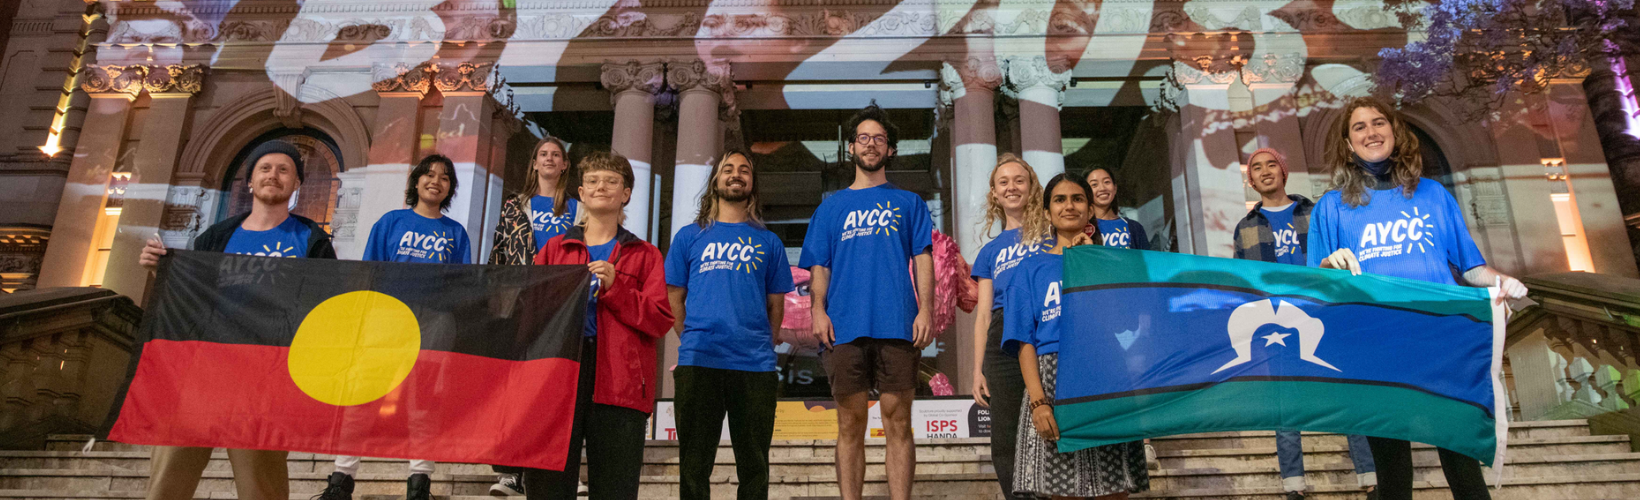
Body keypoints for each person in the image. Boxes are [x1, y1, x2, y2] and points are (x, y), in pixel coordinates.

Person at [1308, 97, 1528, 500]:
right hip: (1377, 349)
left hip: (1440, 344)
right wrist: (1327, 264)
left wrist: (1503, 282)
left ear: (1394, 132)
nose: (1371, 132)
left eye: (1379, 123)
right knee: (1394, 476)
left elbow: (1470, 266)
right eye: (1359, 127)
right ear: (1347, 142)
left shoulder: (1433, 196)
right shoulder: (1330, 208)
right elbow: (1314, 287)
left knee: (1463, 467)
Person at [136, 141, 335, 500]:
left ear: (296, 184)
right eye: (265, 168)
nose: (273, 175)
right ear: (250, 181)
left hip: (268, 377)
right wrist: (160, 272)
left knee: (262, 488)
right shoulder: (216, 237)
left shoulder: (313, 241)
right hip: (202, 372)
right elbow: (188, 296)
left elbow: (326, 308)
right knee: (167, 482)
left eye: (284, 169)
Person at [799, 103, 935, 500]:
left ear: (890, 149)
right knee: (849, 424)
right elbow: (819, 267)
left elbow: (923, 259)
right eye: (863, 138)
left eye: (879, 139)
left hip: (898, 322)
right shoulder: (830, 207)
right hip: (844, 324)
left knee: (898, 422)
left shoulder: (910, 203)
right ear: (850, 148)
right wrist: (817, 310)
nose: (871, 144)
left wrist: (925, 308)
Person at [319, 154, 472, 500]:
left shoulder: (455, 232)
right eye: (429, 174)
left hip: (435, 322)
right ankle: (341, 478)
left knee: (424, 402)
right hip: (387, 318)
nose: (436, 181)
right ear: (416, 182)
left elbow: (463, 283)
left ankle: (420, 481)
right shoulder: (390, 222)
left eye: (445, 177)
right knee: (363, 396)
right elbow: (371, 271)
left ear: (450, 188)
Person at [527, 150, 674, 500]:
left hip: (620, 380)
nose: (601, 187)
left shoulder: (644, 254)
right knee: (547, 483)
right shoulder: (553, 250)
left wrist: (617, 289)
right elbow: (531, 312)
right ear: (580, 192)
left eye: (611, 181)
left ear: (625, 193)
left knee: (616, 486)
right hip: (559, 374)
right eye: (592, 181)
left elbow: (658, 320)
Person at [1232, 148, 1377, 500]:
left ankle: (1371, 478)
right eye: (1256, 168)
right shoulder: (1245, 228)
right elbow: (1244, 282)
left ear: (1284, 172)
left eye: (1271, 165)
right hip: (1275, 322)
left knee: (1347, 392)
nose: (1265, 171)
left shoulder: (1316, 213)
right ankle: (1293, 484)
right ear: (1250, 180)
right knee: (1286, 402)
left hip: (1324, 314)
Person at [1004, 173, 1149, 499]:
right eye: (1059, 199)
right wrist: (1039, 402)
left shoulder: (1111, 264)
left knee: (1112, 487)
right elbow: (1024, 340)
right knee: (1060, 489)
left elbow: (1124, 325)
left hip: (1106, 376)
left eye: (1077, 199)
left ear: (1089, 211)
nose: (1069, 205)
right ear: (1046, 212)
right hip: (1051, 379)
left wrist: (1092, 263)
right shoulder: (1029, 269)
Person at [665, 149, 795, 500]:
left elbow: (776, 304)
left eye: (744, 170)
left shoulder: (769, 242)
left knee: (754, 467)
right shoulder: (689, 236)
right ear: (716, 181)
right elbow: (674, 297)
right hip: (699, 361)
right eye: (728, 169)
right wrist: (690, 337)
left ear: (752, 183)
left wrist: (761, 345)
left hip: (754, 365)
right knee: (694, 466)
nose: (736, 175)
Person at [484, 136, 578, 496]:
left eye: (557, 154)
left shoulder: (578, 208)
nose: (550, 159)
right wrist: (496, 302)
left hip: (561, 306)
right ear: (534, 163)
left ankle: (560, 465)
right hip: (519, 305)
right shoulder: (514, 206)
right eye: (544, 154)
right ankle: (510, 470)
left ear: (565, 164)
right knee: (516, 387)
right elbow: (498, 254)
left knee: (557, 387)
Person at [969, 153, 1050, 499]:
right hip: (1001, 339)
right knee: (1004, 434)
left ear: (1032, 187)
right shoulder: (990, 252)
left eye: (1019, 180)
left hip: (1045, 325)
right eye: (1004, 182)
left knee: (1048, 419)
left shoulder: (1052, 234)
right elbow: (983, 314)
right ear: (994, 194)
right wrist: (977, 369)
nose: (1012, 187)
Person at [1083, 168, 1149, 250]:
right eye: (1094, 185)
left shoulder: (1134, 228)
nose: (1102, 188)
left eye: (1107, 182)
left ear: (1115, 188)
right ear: (1086, 193)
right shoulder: (1082, 229)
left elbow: (1146, 261)